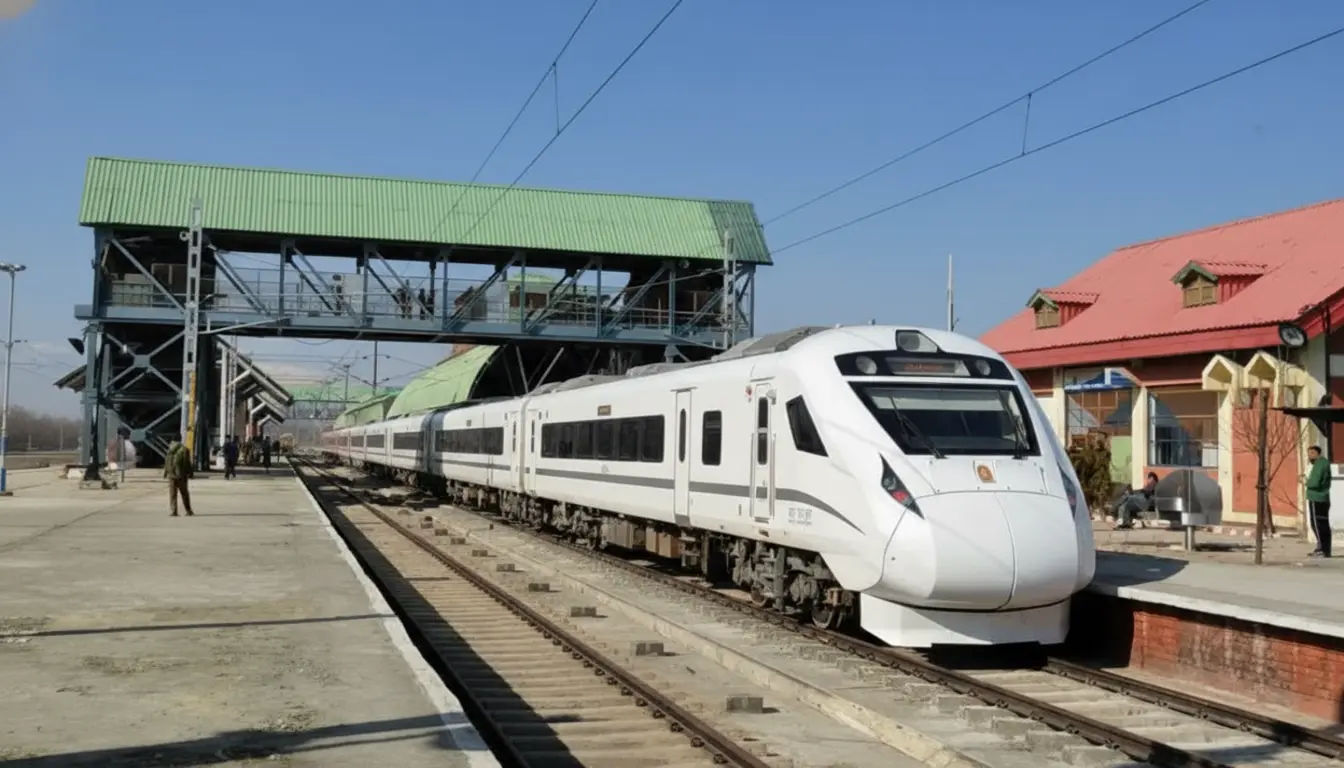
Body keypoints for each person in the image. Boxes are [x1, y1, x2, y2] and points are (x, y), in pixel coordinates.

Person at [1306, 445, 1332, 558]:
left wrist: (1306, 482)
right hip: (1324, 497)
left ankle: (1322, 548)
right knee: (1323, 524)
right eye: (1309, 453)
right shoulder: (1324, 463)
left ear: (1317, 453)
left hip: (1316, 497)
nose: (1309, 455)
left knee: (1317, 524)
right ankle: (1325, 549)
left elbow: (1315, 482)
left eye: (1312, 453)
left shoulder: (1319, 465)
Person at [164, 437, 194, 517]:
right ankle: (188, 510)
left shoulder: (169, 450)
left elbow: (166, 461)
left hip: (171, 475)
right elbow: (187, 463)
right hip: (182, 476)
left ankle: (174, 511)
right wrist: (191, 473)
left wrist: (166, 473)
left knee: (173, 494)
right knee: (184, 494)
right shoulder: (185, 449)